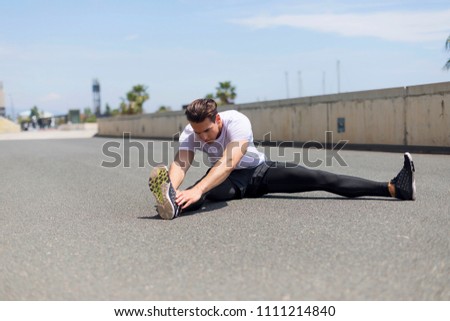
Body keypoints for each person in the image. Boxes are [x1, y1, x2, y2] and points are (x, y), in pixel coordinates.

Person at [149, 99, 416, 220]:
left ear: (217, 119)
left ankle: (393, 187)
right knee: (201, 196)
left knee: (321, 178)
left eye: (207, 130)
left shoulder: (237, 121)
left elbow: (229, 161)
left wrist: (198, 187)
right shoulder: (191, 132)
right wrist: (170, 189)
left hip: (261, 172)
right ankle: (171, 206)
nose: (203, 137)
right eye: (198, 133)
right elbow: (181, 163)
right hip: (230, 181)